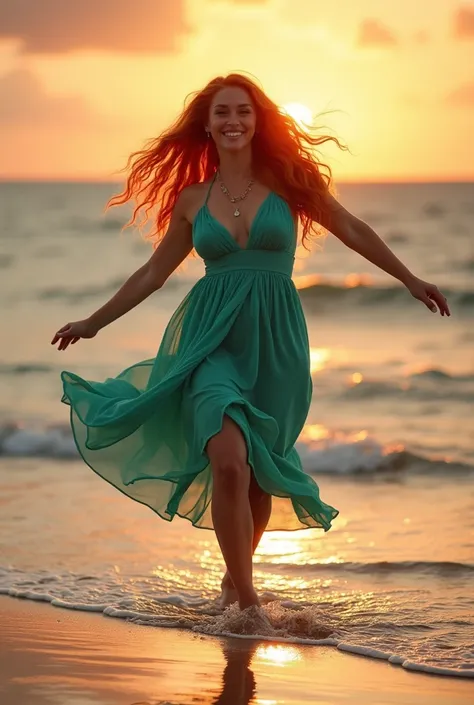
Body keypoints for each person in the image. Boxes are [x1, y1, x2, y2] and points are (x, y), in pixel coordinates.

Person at [51, 73, 450, 614]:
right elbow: (152, 274)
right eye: (222, 112)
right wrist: (93, 322)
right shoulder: (192, 200)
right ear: (208, 125)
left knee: (259, 475)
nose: (233, 120)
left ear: (258, 120)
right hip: (210, 340)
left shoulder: (290, 183)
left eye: (243, 110)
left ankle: (233, 583)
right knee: (230, 462)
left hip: (277, 343)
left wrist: (409, 279)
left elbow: (352, 229)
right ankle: (248, 600)